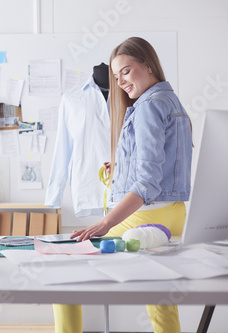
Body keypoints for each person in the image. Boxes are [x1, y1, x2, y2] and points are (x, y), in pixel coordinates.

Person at [53, 37, 193, 333]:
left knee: (61, 274)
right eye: (116, 77)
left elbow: (146, 182)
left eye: (126, 72)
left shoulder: (148, 106)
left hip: (145, 215)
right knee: (160, 296)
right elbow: (161, 164)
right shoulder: (171, 100)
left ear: (147, 64)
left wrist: (104, 224)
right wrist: (120, 167)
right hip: (175, 213)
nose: (121, 82)